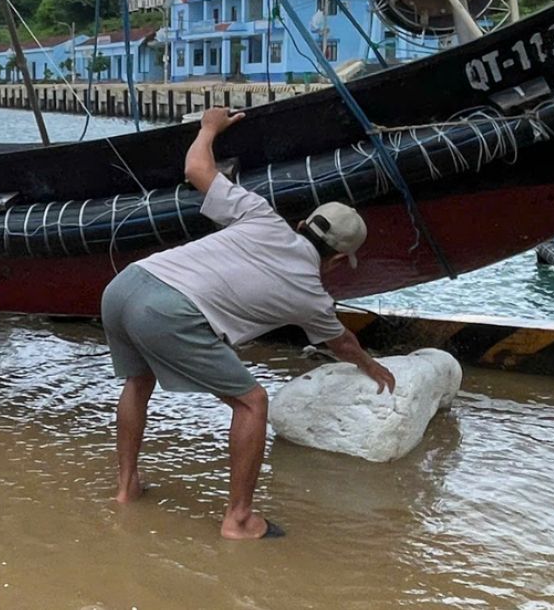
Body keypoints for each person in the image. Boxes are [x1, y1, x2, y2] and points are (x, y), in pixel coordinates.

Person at [101, 106, 395, 541]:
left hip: (124, 285)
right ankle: (239, 519)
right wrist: (372, 368)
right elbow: (344, 344)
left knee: (138, 382)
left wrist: (208, 129)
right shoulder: (311, 296)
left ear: (301, 224)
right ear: (336, 260)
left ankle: (126, 488)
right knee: (252, 402)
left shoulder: (261, 215)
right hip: (165, 309)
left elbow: (196, 167)